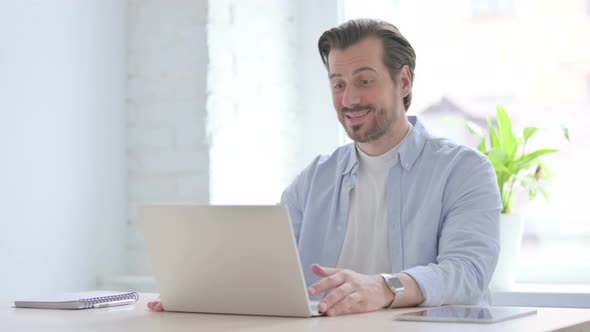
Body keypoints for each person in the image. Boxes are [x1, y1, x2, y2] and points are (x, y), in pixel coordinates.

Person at [149, 18, 501, 316]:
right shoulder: (315, 179)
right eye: (338, 84)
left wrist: (384, 287)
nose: (349, 100)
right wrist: (206, 294)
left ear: (404, 81)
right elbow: (267, 267)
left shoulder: (464, 170)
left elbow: (467, 273)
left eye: (365, 81)